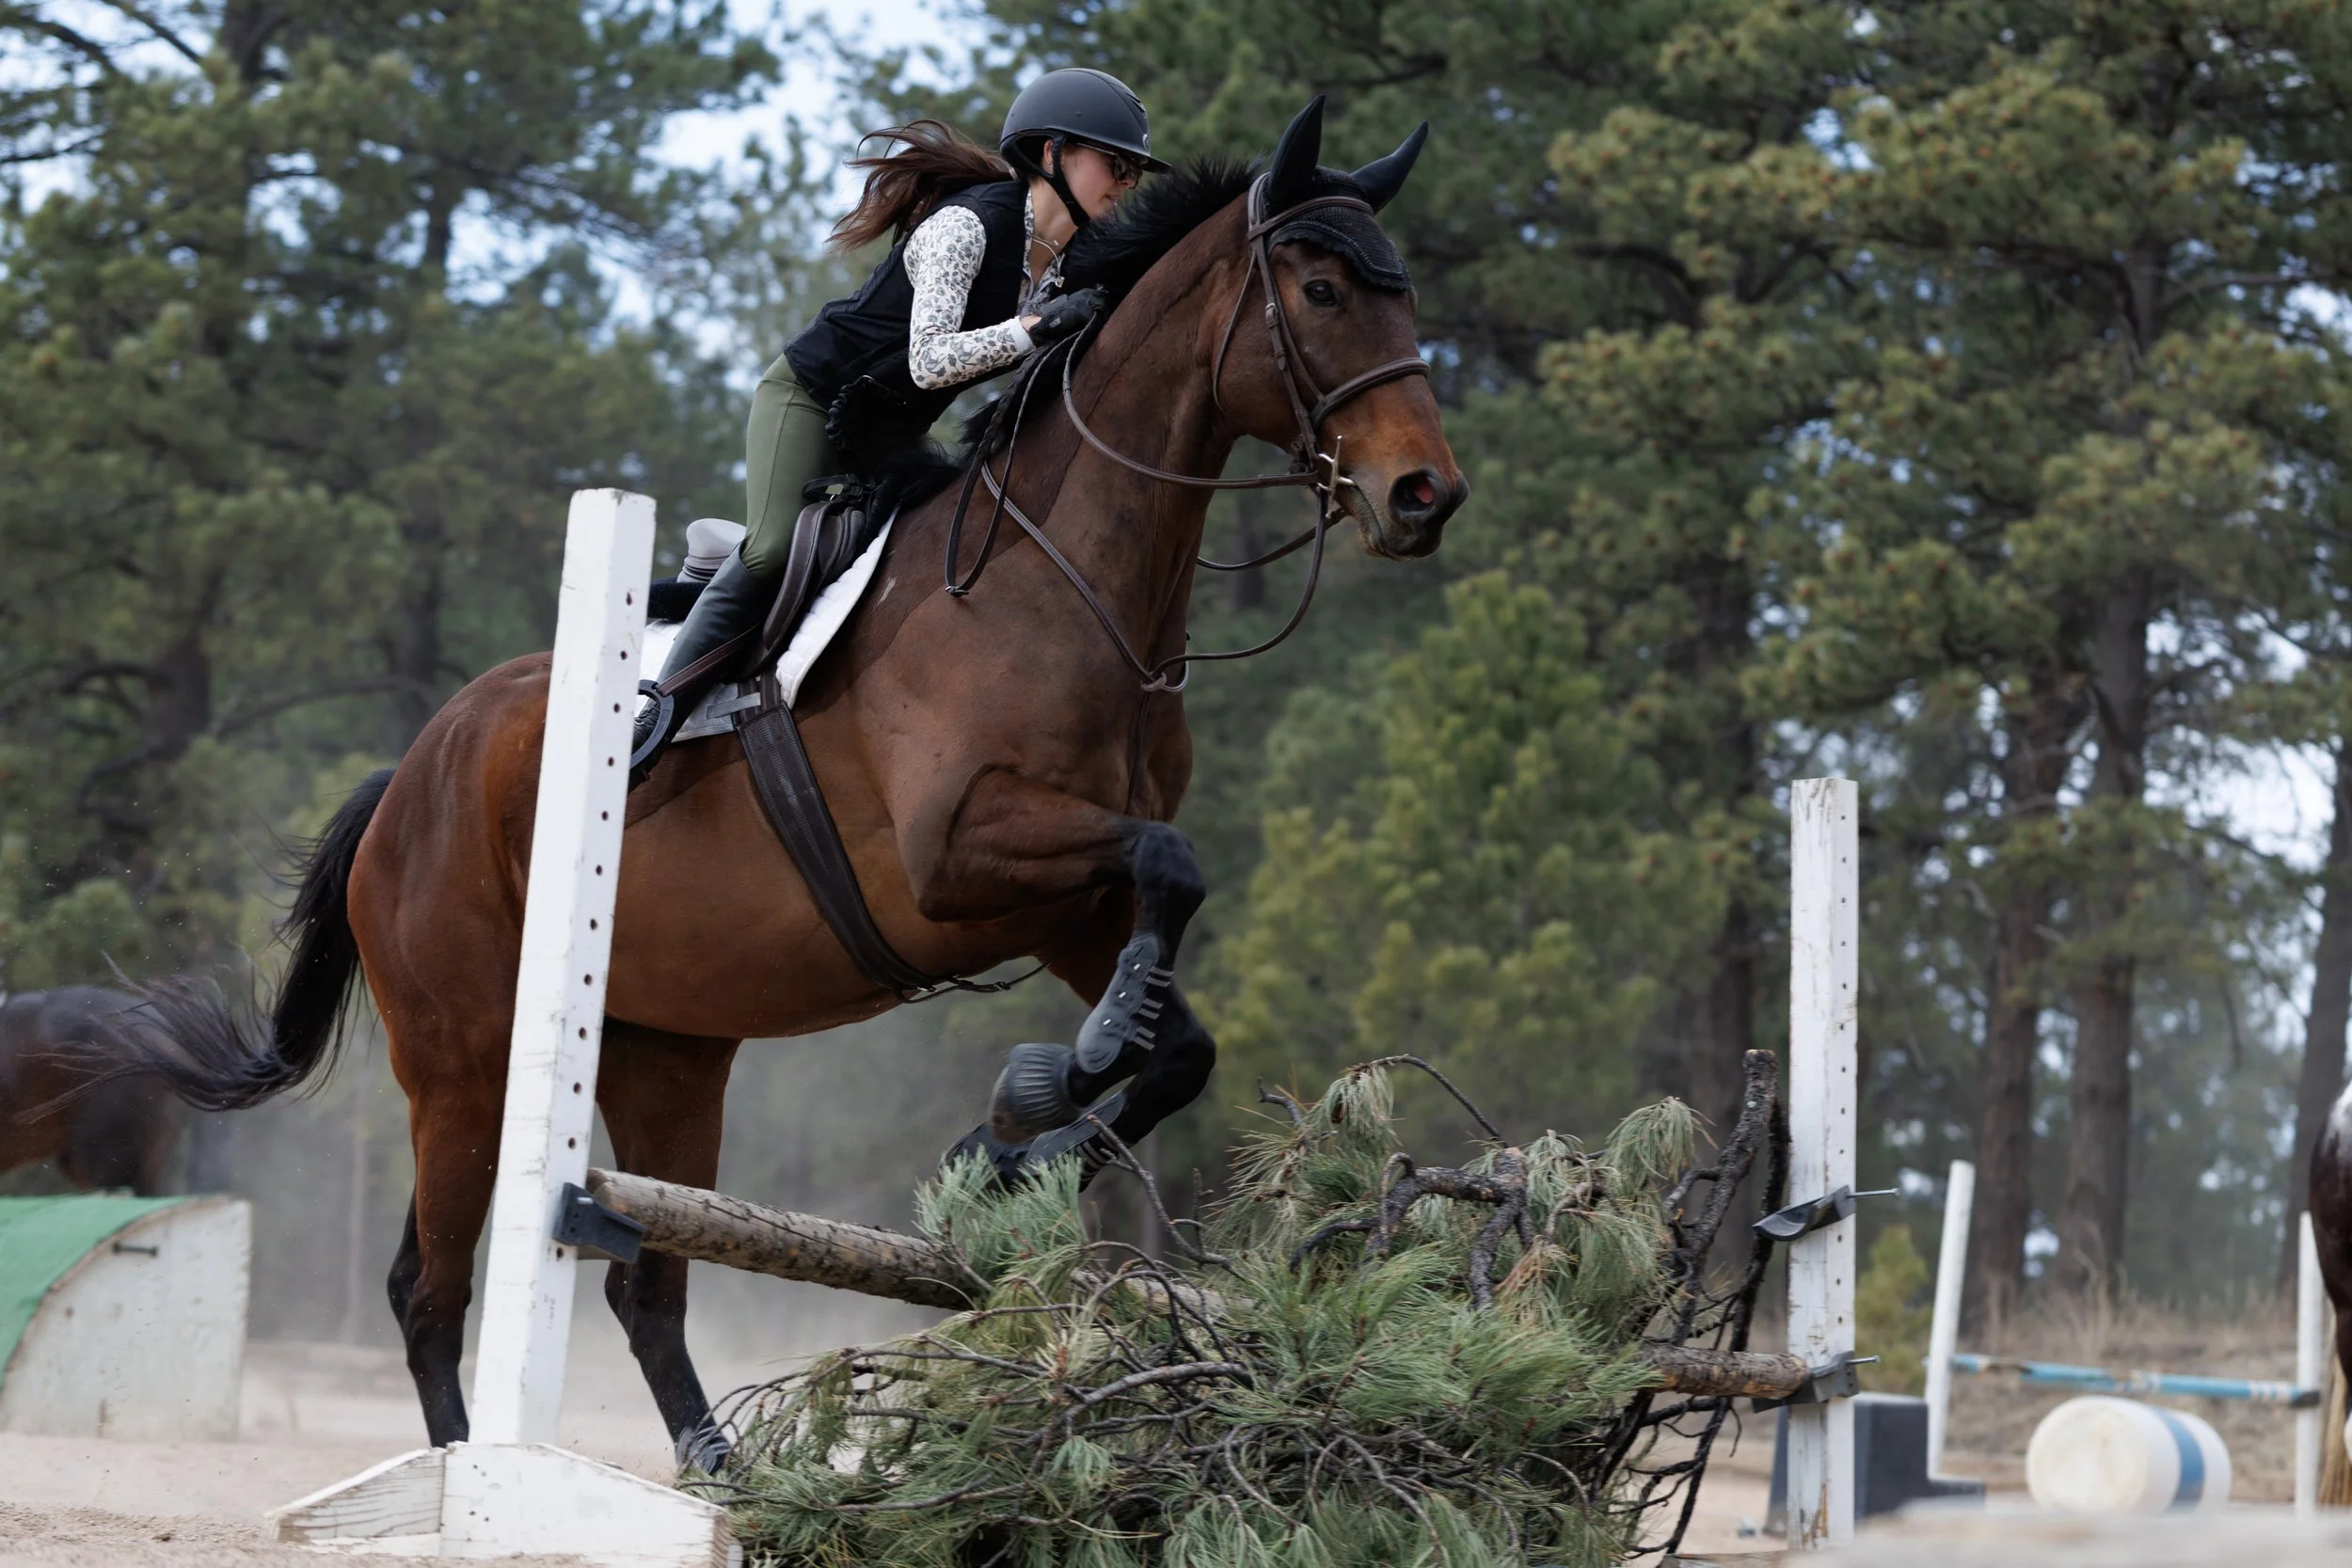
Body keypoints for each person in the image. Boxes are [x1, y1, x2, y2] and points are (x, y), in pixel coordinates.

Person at [631, 68, 1166, 775]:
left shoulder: (1063, 265)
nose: (1127, 182)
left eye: (1135, 171)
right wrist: (1035, 330)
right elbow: (929, 362)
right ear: (1050, 155)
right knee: (772, 549)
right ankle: (653, 710)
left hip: (885, 428)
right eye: (1116, 163)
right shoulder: (966, 226)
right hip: (809, 399)